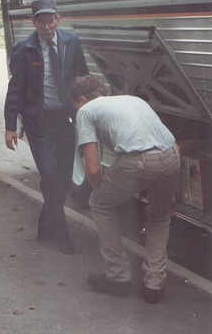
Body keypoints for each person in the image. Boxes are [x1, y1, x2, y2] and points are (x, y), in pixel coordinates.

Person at [70, 75, 180, 303]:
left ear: (81, 98)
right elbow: (163, 143)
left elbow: (92, 169)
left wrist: (101, 193)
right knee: (159, 217)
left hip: (137, 160)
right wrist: (170, 194)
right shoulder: (132, 99)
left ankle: (118, 277)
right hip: (172, 156)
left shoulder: (86, 111)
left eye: (76, 105)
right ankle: (154, 285)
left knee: (99, 204)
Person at [4, 0, 88, 254]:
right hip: (39, 122)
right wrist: (10, 125)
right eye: (42, 22)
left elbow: (83, 78)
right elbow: (15, 90)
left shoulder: (71, 42)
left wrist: (88, 110)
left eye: (51, 21)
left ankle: (45, 221)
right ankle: (61, 232)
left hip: (65, 119)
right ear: (34, 22)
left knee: (62, 176)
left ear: (58, 19)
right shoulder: (24, 49)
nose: (47, 27)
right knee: (50, 175)